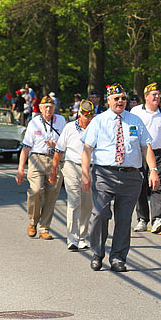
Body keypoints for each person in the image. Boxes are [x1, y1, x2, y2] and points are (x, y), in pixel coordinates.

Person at [80, 83, 160, 273]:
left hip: (131, 176)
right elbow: (87, 149)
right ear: (108, 101)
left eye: (123, 98)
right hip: (104, 174)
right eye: (116, 98)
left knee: (124, 219)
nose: (121, 102)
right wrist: (85, 174)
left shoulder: (135, 120)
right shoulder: (99, 121)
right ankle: (97, 253)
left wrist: (154, 170)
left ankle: (118, 258)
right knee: (100, 213)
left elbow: (146, 147)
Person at [15, 96, 67, 240]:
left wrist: (55, 145)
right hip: (37, 159)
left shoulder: (61, 121)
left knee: (52, 195)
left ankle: (44, 227)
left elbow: (67, 142)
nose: (48, 110)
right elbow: (25, 148)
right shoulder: (34, 123)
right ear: (40, 108)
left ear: (54, 108)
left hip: (55, 159)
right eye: (45, 107)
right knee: (36, 190)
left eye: (51, 107)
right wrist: (20, 170)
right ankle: (33, 221)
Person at [50, 100, 95, 251]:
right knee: (74, 201)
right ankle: (72, 238)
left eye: (91, 116)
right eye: (86, 116)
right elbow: (59, 150)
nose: (89, 119)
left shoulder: (96, 128)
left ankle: (83, 237)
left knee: (87, 204)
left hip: (90, 168)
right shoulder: (69, 128)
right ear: (79, 114)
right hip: (72, 166)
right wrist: (54, 170)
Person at [131, 83, 161, 233]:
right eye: (153, 94)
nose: (156, 97)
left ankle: (157, 219)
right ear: (146, 96)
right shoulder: (135, 112)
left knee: (157, 185)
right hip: (139, 153)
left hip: (158, 153)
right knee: (140, 185)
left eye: (158, 94)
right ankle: (142, 219)